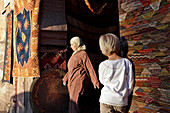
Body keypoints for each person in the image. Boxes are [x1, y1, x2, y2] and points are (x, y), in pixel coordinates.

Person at [98, 33, 134, 113]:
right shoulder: (126, 62)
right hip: (120, 101)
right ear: (118, 46)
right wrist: (125, 96)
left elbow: (102, 81)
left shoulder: (102, 65)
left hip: (105, 99)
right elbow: (130, 83)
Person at [62, 36, 100, 113]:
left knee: (76, 101)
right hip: (72, 82)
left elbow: (89, 68)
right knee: (73, 101)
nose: (71, 46)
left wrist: (95, 81)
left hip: (78, 80)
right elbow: (71, 69)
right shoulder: (74, 55)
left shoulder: (83, 54)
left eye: (72, 44)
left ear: (77, 45)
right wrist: (65, 78)